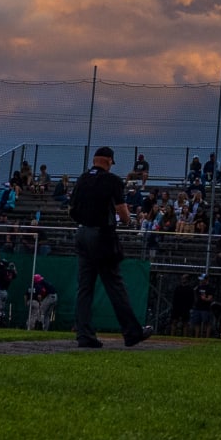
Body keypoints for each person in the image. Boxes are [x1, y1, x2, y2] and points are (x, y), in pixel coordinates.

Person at [68, 147, 151, 348]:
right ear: (109, 161)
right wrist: (127, 221)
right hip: (102, 236)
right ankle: (132, 332)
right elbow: (123, 215)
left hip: (82, 234)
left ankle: (84, 335)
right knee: (114, 285)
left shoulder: (82, 179)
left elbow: (72, 210)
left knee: (85, 288)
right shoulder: (112, 180)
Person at [0, 248, 17, 326]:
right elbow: (15, 273)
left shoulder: (2, 270)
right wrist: (14, 267)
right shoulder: (10, 272)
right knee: (2, 308)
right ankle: (2, 322)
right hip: (5, 292)